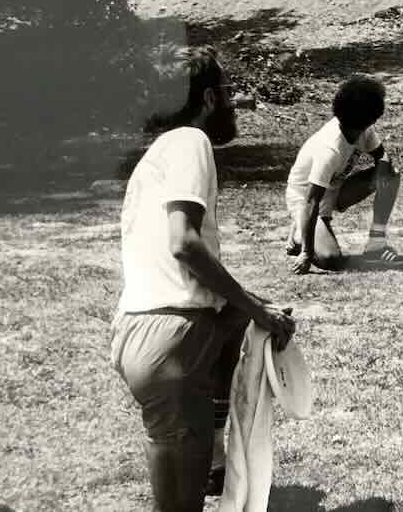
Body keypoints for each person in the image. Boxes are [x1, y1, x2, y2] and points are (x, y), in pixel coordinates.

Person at [111, 45, 296, 512]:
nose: (234, 103)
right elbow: (184, 244)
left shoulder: (155, 157)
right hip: (174, 339)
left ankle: (215, 445)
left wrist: (255, 309)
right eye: (230, 92)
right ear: (210, 97)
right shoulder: (189, 142)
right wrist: (258, 310)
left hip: (146, 334)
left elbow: (186, 270)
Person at [285, 74, 403, 274]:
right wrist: (307, 254)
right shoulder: (329, 148)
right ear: (372, 116)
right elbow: (311, 201)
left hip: (334, 190)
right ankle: (300, 233)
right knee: (330, 259)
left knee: (390, 174)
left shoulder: (363, 130)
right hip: (305, 199)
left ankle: (376, 244)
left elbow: (383, 159)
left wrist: (383, 173)